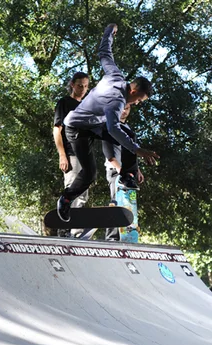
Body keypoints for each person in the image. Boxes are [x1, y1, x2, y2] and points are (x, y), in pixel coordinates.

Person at [56, 23, 159, 222]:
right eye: (138, 100)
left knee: (128, 132)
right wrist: (138, 151)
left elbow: (104, 53)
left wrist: (109, 32)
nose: (136, 104)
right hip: (76, 129)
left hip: (93, 124)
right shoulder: (117, 102)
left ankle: (127, 175)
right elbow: (113, 130)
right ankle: (66, 198)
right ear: (134, 91)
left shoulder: (116, 75)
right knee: (90, 174)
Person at [53, 72, 90, 237]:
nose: (83, 89)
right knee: (72, 190)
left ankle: (76, 230)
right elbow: (57, 129)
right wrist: (62, 155)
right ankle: (65, 230)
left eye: (86, 86)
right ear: (72, 85)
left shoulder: (87, 106)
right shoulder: (64, 103)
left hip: (85, 156)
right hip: (71, 154)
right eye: (80, 85)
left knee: (82, 195)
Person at [104, 105, 144, 241]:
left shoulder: (128, 129)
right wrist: (120, 170)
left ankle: (127, 234)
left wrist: (137, 170)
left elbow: (132, 152)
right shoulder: (111, 127)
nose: (124, 111)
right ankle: (111, 238)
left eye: (127, 108)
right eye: (122, 108)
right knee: (116, 202)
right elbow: (109, 153)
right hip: (116, 171)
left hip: (128, 173)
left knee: (128, 203)